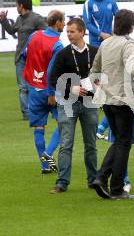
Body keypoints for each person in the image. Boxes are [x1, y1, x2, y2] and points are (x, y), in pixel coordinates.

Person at [89, 9, 134, 200]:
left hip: (106, 99)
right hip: (123, 99)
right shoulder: (128, 44)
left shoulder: (105, 43)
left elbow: (94, 70)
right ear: (130, 25)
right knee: (124, 142)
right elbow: (132, 68)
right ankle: (116, 187)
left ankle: (101, 178)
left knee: (119, 140)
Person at [49, 18, 99, 193]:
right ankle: (62, 182)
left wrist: (99, 84)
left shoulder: (94, 51)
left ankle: (93, 180)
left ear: (82, 32)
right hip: (67, 102)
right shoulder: (63, 54)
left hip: (89, 102)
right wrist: (72, 88)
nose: (68, 34)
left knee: (91, 144)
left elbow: (102, 74)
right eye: (67, 32)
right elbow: (53, 79)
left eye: (72, 31)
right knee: (66, 143)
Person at [22, 10, 65, 173]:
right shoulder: (57, 45)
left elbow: (26, 55)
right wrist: (51, 93)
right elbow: (53, 71)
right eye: (63, 21)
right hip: (50, 92)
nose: (65, 24)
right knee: (64, 123)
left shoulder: (34, 36)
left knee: (39, 128)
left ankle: (46, 165)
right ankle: (48, 154)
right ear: (57, 23)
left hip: (33, 89)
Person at [0, 0, 47, 120]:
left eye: (17, 5)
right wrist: (3, 20)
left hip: (34, 58)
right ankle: (26, 113)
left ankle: (39, 109)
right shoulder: (19, 18)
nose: (16, 7)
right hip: (20, 57)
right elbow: (11, 31)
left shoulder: (37, 19)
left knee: (36, 85)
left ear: (21, 5)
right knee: (22, 87)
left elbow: (47, 33)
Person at [83, 0, 119, 140]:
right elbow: (87, 23)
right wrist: (100, 34)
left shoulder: (111, 2)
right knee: (95, 74)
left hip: (110, 43)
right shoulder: (88, 3)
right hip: (95, 44)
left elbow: (118, 18)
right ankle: (93, 99)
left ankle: (103, 99)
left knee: (110, 74)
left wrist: (114, 34)